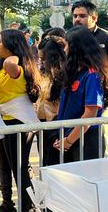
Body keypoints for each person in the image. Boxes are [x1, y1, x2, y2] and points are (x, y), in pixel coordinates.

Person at [49, 26, 108, 164]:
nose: (64, 49)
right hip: (71, 135)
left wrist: (69, 141)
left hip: (86, 139)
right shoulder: (75, 72)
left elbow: (90, 114)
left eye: (67, 45)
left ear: (76, 48)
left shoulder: (92, 75)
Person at [0, 29, 41, 212]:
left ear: (10, 45)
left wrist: (13, 55)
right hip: (4, 121)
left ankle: (27, 205)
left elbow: (9, 63)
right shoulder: (2, 67)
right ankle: (8, 203)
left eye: (0, 41)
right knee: (5, 165)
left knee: (19, 167)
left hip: (19, 122)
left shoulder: (17, 68)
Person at [36, 35, 66, 166]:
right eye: (39, 58)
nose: (41, 62)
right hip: (42, 125)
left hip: (57, 127)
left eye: (43, 59)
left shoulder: (63, 75)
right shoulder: (43, 74)